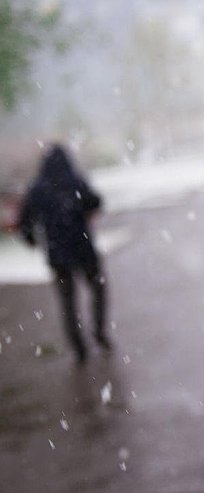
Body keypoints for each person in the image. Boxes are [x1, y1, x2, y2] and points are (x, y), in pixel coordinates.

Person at [17, 144, 110, 364]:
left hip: (58, 255)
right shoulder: (75, 181)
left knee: (68, 302)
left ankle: (79, 348)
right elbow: (95, 201)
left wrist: (31, 239)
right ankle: (99, 331)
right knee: (98, 289)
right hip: (83, 248)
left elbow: (25, 221)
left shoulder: (38, 188)